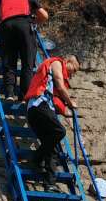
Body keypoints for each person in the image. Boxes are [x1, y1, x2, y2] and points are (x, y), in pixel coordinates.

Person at [24, 54, 80, 188]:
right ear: (68, 61)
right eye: (75, 69)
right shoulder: (57, 63)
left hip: (39, 110)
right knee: (59, 131)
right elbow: (60, 85)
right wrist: (70, 102)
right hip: (39, 104)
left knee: (54, 150)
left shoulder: (61, 66)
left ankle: (50, 183)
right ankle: (35, 160)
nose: (73, 74)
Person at [0, 0, 49, 102]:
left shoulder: (3, 2)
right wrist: (36, 22)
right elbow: (45, 15)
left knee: (9, 64)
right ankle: (24, 96)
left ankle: (9, 94)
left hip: (6, 28)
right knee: (27, 64)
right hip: (25, 26)